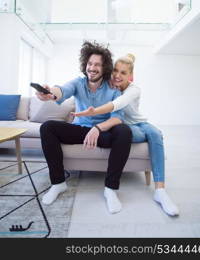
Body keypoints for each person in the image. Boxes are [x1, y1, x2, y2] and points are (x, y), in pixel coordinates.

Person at [73, 53, 179, 216]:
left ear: (130, 76)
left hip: (141, 124)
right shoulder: (108, 85)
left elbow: (118, 104)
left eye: (123, 73)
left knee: (155, 133)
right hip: (125, 127)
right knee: (145, 134)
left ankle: (160, 190)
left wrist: (94, 111)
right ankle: (152, 140)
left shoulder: (133, 89)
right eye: (115, 70)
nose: (117, 75)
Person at [36, 41, 132, 214]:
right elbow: (62, 90)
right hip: (80, 130)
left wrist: (97, 129)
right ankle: (58, 183)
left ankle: (110, 189)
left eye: (97, 64)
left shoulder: (113, 88)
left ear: (104, 68)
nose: (92, 68)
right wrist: (50, 93)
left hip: (103, 133)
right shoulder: (78, 83)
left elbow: (117, 118)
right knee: (47, 127)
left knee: (124, 131)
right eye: (89, 63)